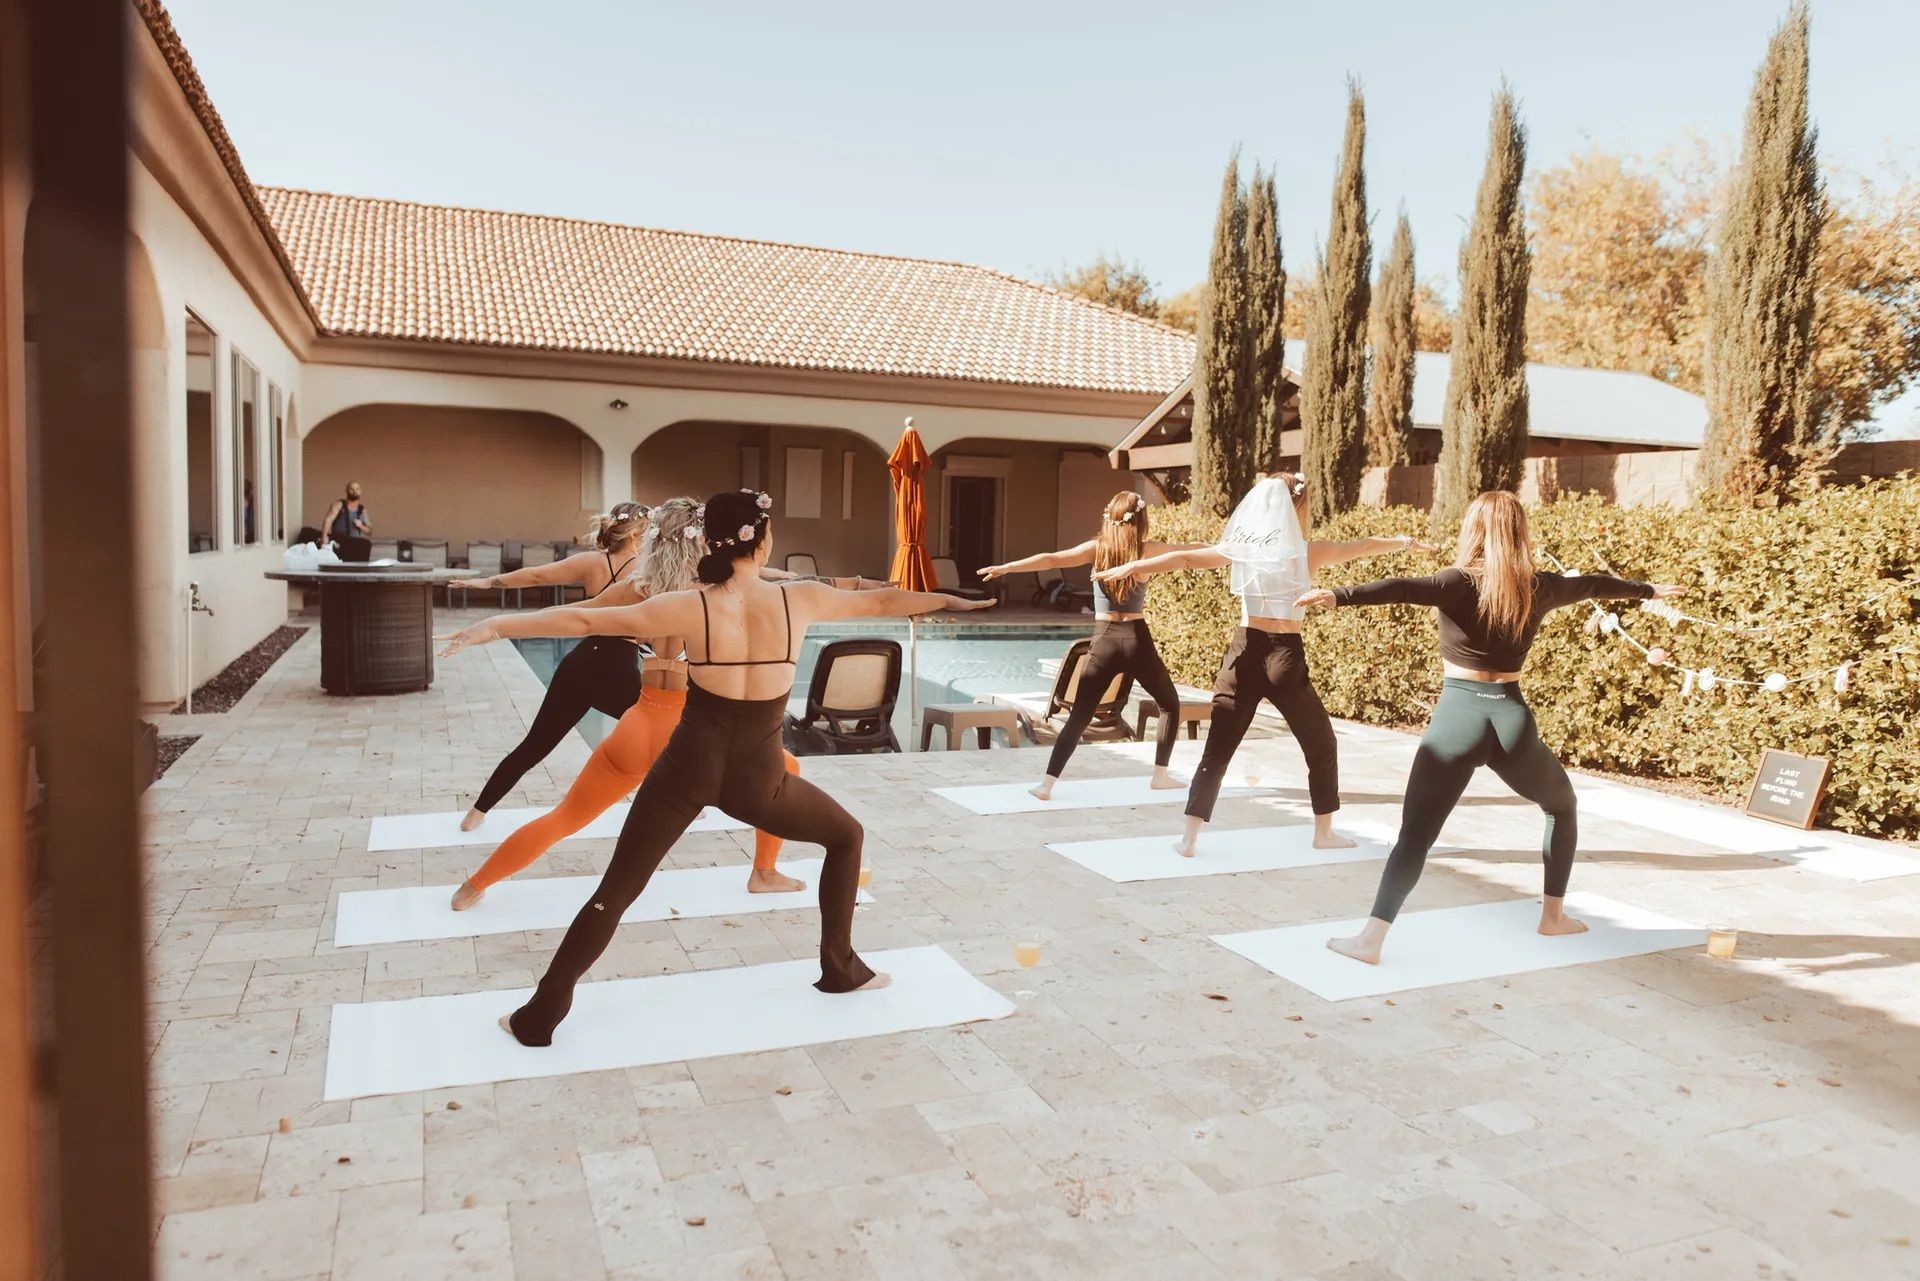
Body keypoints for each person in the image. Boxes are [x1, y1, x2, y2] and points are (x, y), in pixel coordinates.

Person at [437, 489, 995, 1045]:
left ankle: (541, 1014)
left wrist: (496, 628)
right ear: (764, 539)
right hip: (759, 777)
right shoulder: (798, 598)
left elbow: (586, 621)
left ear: (710, 540)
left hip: (687, 767)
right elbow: (879, 603)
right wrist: (949, 600)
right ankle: (839, 968)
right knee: (846, 837)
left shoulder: (689, 604)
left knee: (617, 889)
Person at [1296, 490, 1685, 965]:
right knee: (1561, 807)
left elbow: (1399, 587)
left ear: (1472, 530)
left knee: (1415, 836)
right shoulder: (1538, 586)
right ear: (1520, 532)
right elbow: (1592, 584)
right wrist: (1646, 590)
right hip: (1511, 720)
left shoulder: (1452, 582)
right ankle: (1553, 917)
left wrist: (1338, 595)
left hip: (1457, 719)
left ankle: (1371, 941)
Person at [449, 497, 809, 908]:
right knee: (787, 770)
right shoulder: (717, 595)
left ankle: (473, 886)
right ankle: (763, 871)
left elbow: (574, 615)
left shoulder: (637, 590)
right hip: (692, 734)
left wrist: (497, 625)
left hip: (639, 725)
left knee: (566, 816)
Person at [1097, 473, 1433, 856]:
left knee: (1217, 751)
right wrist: (1405, 542)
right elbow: (1364, 546)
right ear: (1298, 507)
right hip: (1284, 656)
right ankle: (1324, 833)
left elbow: (1186, 558)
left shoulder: (1242, 549)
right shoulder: (1310, 551)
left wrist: (1132, 567)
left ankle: (1189, 838)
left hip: (1243, 654)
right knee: (1321, 745)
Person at [977, 491, 1204, 799]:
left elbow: (1051, 559)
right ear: (1141, 519)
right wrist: (1231, 548)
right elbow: (1189, 553)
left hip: (1104, 639)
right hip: (1137, 638)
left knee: (1080, 716)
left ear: (1109, 518)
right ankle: (1160, 776)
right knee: (1170, 705)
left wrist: (1007, 567)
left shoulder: (1097, 549)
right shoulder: (1148, 550)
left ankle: (1046, 785)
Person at [449, 503, 650, 831]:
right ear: (640, 533)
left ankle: (477, 812)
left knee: (535, 745)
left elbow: (537, 575)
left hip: (581, 661)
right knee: (664, 738)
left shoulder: (590, 562)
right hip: (618, 667)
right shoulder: (646, 570)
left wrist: (487, 583)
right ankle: (684, 805)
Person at [321, 481, 372, 561]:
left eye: (357, 489)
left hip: (355, 543)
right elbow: (329, 519)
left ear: (360, 491)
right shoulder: (339, 505)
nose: (354, 491)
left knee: (366, 545)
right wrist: (324, 536)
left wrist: (361, 526)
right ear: (347, 491)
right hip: (340, 541)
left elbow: (369, 530)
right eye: (351, 489)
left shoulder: (362, 510)